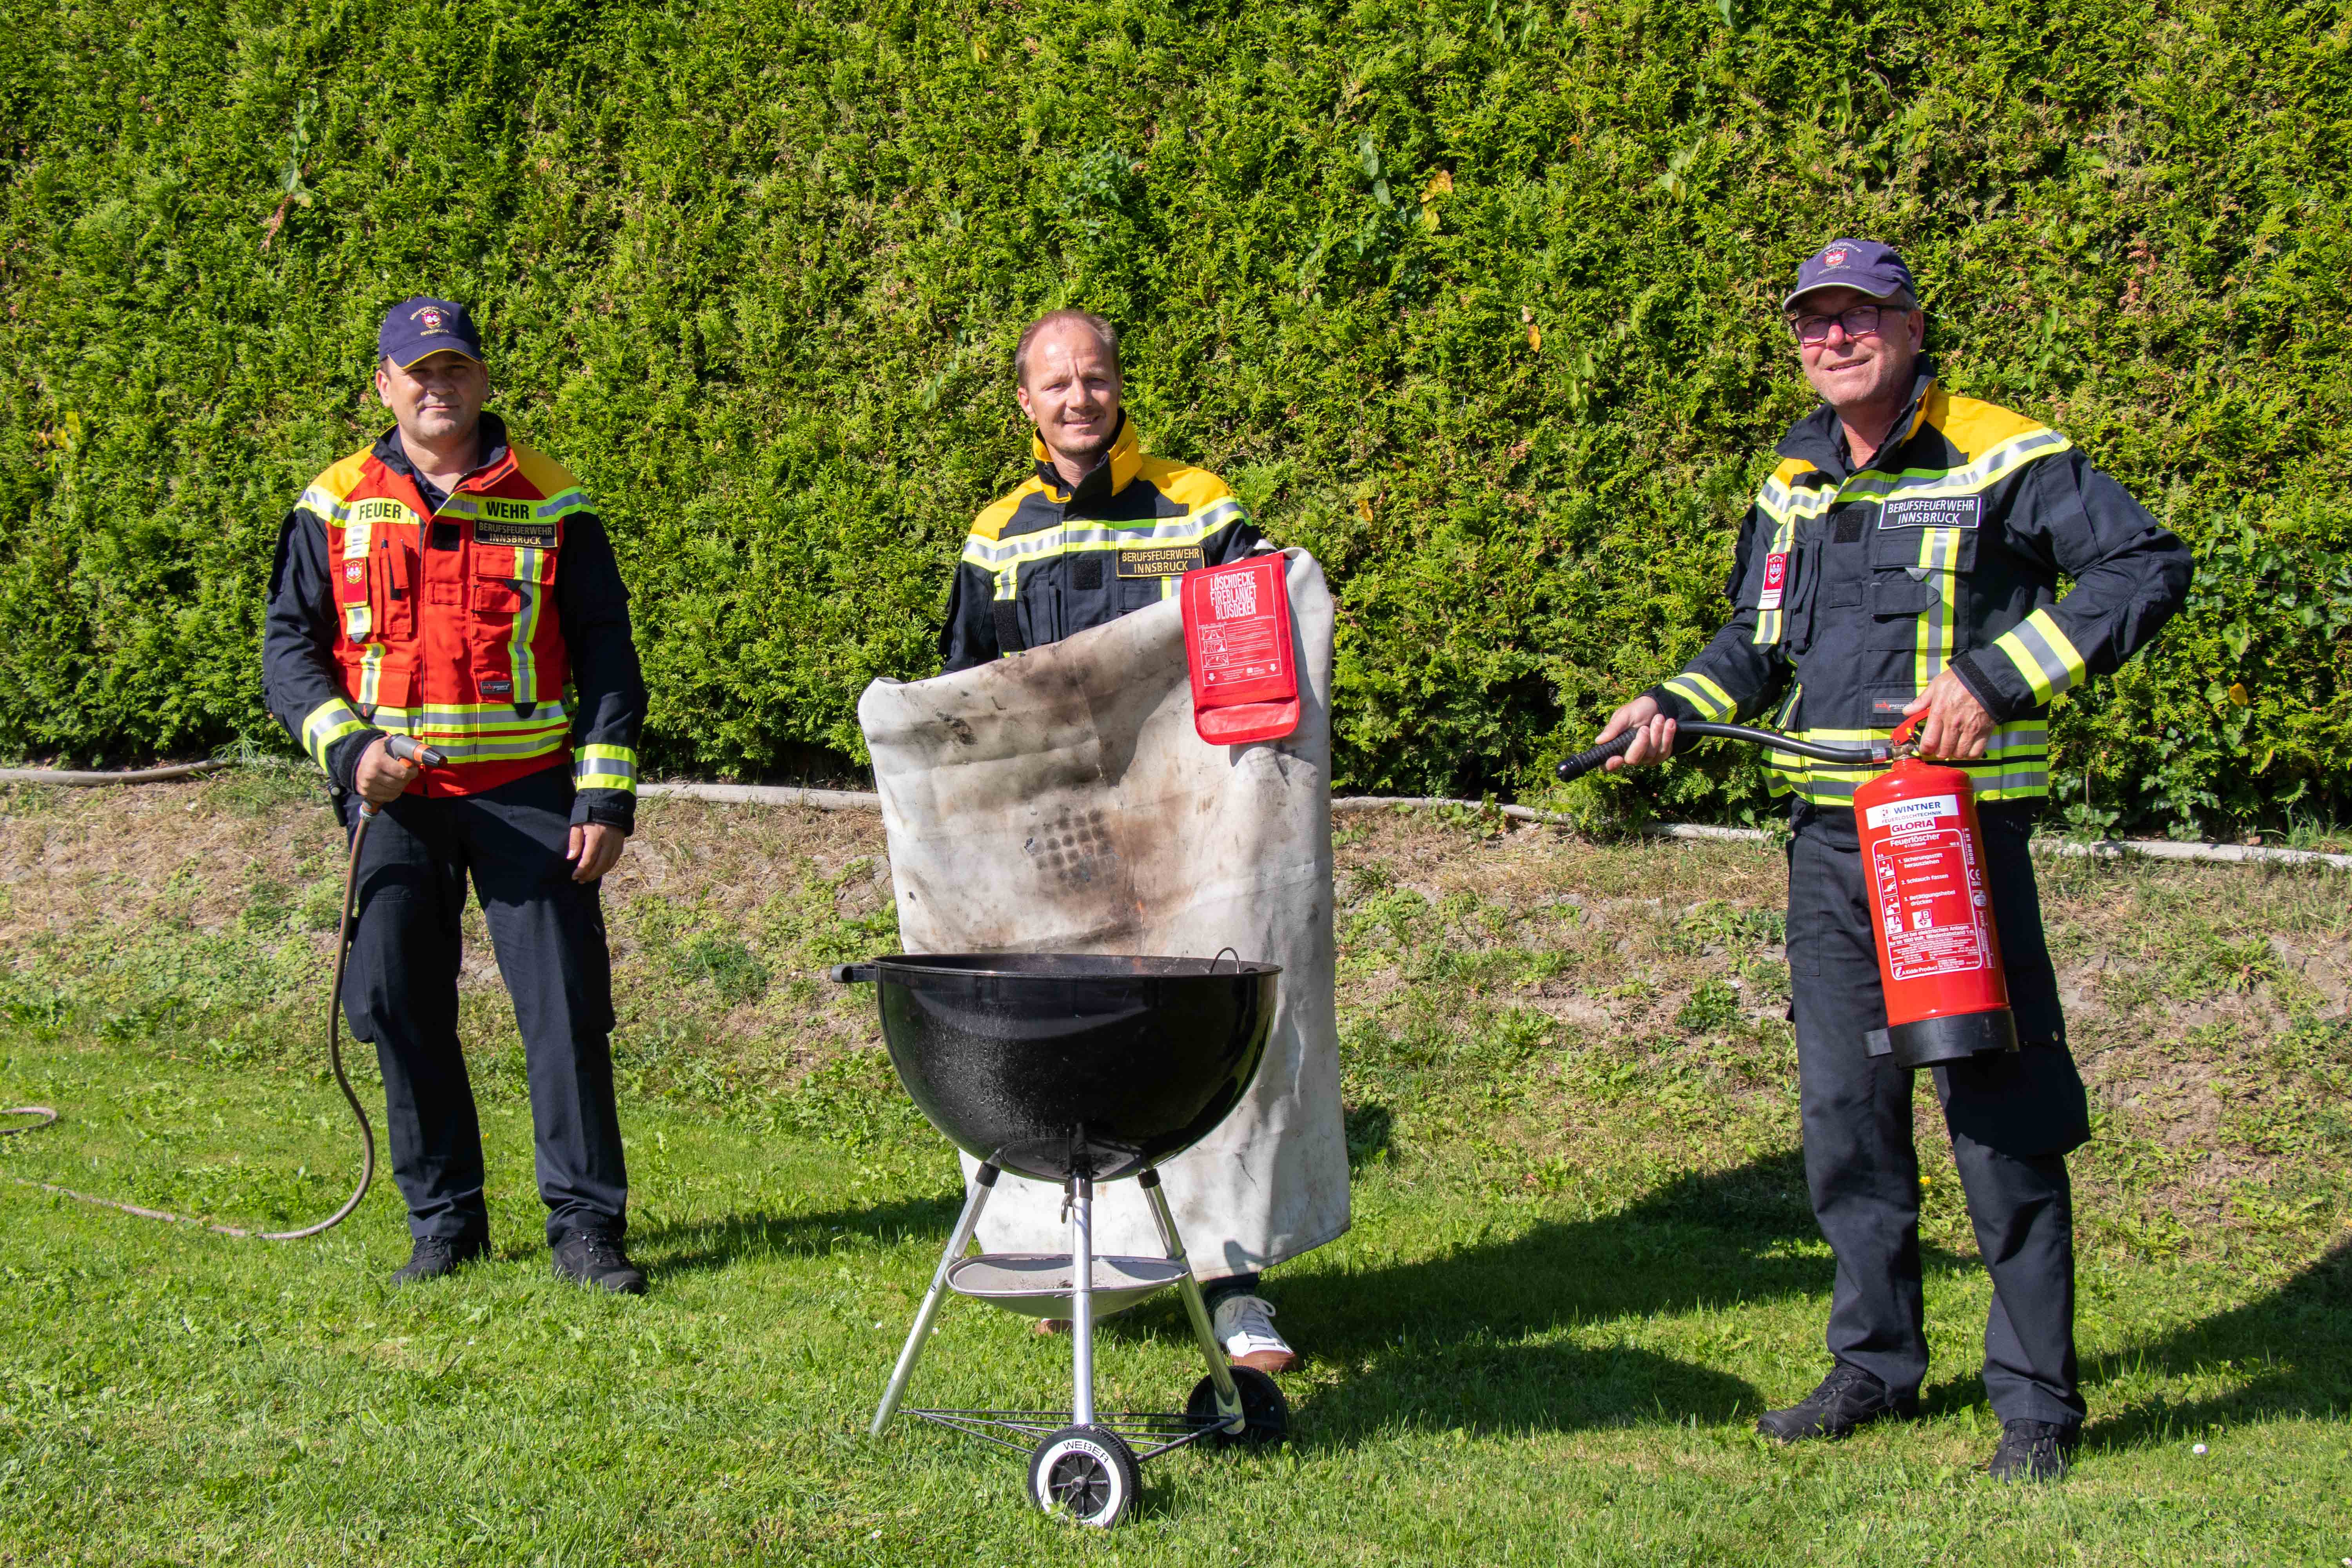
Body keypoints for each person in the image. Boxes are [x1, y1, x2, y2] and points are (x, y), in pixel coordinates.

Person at [1597, 240, 2191, 1479]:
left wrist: (1997, 676)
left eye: (1860, 315)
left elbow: (2144, 564)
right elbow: (1755, 643)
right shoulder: (1794, 479)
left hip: (1953, 849)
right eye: (1816, 321)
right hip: (1829, 854)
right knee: (1845, 1120)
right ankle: (1877, 1365)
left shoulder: (2003, 452)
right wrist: (1672, 704)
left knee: (1998, 1118)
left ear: (1913, 327)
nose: (1835, 337)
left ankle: (2036, 1405)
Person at [937, 309, 1301, 1373]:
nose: (1076, 400)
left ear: (1119, 385)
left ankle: (1238, 1290)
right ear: (1024, 401)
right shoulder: (994, 533)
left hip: (1187, 839)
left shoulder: (1199, 504)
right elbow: (962, 698)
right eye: (1054, 385)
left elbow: (1266, 638)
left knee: (1205, 1054)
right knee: (1065, 1057)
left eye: (1092, 379)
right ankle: (1081, 1267)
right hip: (1049, 852)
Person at [263, 298, 651, 1294]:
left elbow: (607, 652)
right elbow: (288, 654)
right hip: (395, 800)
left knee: (564, 1009)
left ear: (483, 380)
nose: (439, 388)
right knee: (396, 1002)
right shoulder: (336, 499)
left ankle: (586, 1228)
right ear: (384, 386)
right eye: (418, 372)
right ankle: (444, 1221)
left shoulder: (555, 496)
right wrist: (349, 753)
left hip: (528, 794)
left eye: (456, 370)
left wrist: (603, 800)